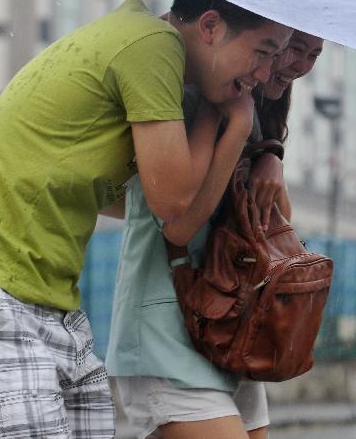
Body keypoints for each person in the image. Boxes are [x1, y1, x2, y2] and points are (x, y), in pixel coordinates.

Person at [0, 0, 292, 438]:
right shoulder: (153, 46)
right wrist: (226, 117)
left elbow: (140, 201)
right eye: (263, 51)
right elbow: (173, 203)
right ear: (211, 26)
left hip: (52, 307)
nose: (264, 72)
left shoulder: (142, 48)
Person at [107, 30, 324, 439]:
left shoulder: (258, 117)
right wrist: (238, 128)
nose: (301, 65)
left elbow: (279, 233)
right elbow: (179, 224)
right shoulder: (191, 103)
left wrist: (269, 157)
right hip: (168, 335)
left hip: (231, 331)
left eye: (315, 54)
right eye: (291, 48)